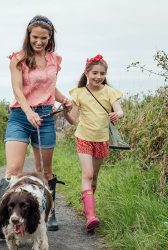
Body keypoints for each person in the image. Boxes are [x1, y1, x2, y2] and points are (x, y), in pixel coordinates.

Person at [0, 15, 72, 238]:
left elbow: (49, 87)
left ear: (50, 37)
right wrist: (28, 112)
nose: (39, 41)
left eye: (44, 38)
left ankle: (48, 211)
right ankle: (4, 220)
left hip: (45, 116)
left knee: (44, 171)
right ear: (28, 35)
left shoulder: (55, 59)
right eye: (35, 37)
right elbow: (18, 89)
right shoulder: (18, 58)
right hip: (20, 115)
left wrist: (64, 99)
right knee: (13, 169)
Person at [65, 54, 124, 232]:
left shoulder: (109, 92)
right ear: (87, 72)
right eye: (95, 73)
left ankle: (88, 210)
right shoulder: (79, 93)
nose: (98, 77)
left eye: (102, 73)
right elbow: (73, 119)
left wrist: (117, 115)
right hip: (83, 137)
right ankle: (91, 216)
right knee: (88, 174)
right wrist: (65, 112)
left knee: (94, 178)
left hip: (102, 140)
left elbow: (120, 111)